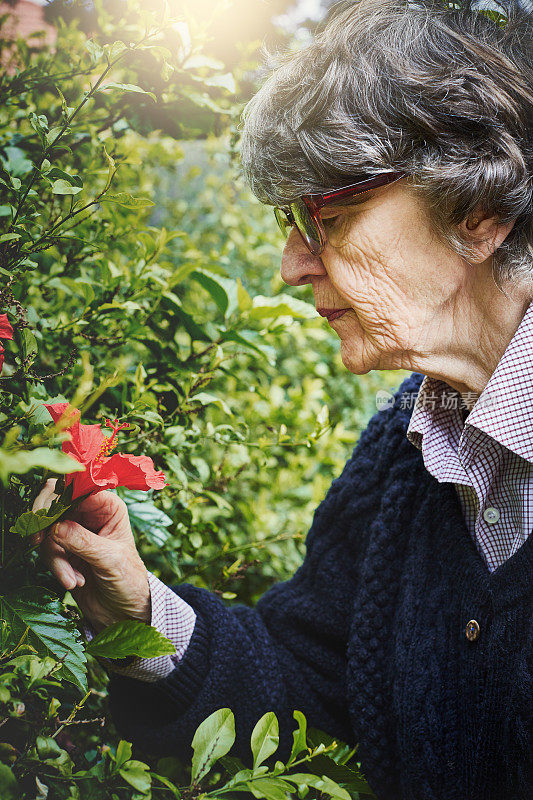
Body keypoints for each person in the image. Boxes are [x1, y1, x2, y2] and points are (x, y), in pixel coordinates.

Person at [33, 1, 533, 798]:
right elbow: (304, 689)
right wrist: (129, 602)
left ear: (478, 211)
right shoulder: (403, 453)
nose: (290, 265)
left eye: (325, 216)